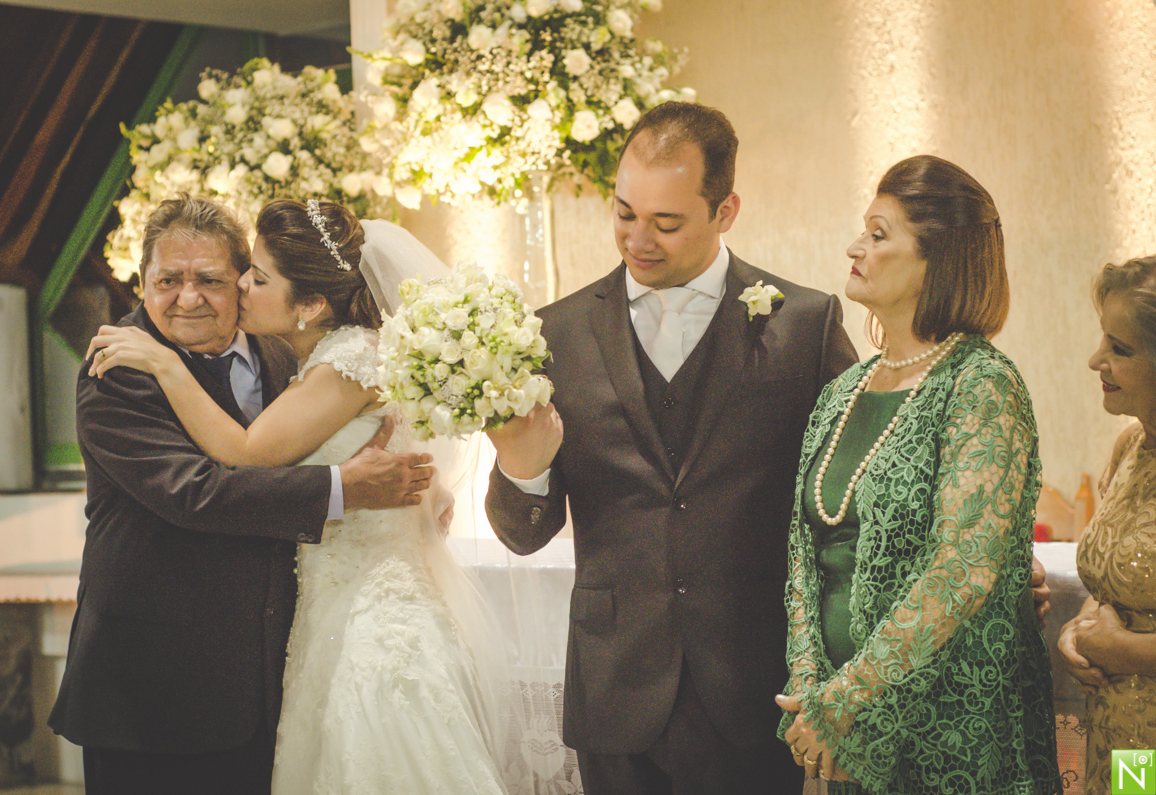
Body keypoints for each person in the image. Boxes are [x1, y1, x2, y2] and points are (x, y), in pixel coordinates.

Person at [484, 101, 859, 793]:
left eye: (666, 222)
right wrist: (521, 467)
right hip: (614, 687)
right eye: (624, 213)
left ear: (725, 211)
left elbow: (854, 497)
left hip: (754, 688)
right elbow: (522, 534)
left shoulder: (806, 325)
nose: (638, 240)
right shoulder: (553, 333)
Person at [84, 198, 509, 794]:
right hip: (155, 689)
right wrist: (343, 488)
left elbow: (266, 448)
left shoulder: (297, 352)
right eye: (167, 280)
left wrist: (419, 484)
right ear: (142, 280)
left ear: (302, 302)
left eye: (220, 279)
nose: (188, 297)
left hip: (321, 643)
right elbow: (196, 493)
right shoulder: (123, 364)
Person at [777, 155, 1061, 794]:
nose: (856, 247)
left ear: (939, 259)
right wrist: (809, 688)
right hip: (832, 723)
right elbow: (803, 553)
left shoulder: (980, 384)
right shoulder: (843, 390)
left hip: (947, 722)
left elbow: (963, 570)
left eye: (879, 235)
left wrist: (846, 698)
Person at [1058, 255, 1156, 795]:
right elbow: (1114, 583)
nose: (1096, 359)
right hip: (1124, 745)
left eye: (1120, 348)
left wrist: (1119, 650)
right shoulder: (1131, 446)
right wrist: (1081, 627)